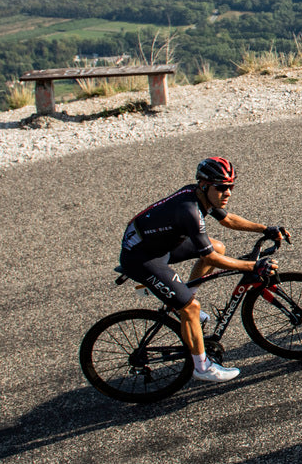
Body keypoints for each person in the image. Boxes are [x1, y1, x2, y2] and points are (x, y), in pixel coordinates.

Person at [119, 157, 290, 383]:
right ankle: (202, 367)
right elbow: (209, 258)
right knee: (191, 307)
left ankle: (187, 300)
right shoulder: (189, 210)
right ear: (204, 185)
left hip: (159, 245)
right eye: (221, 187)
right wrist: (253, 266)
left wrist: (265, 229)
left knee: (218, 245)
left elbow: (228, 220)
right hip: (142, 257)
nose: (227, 192)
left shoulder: (201, 196)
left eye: (230, 187)